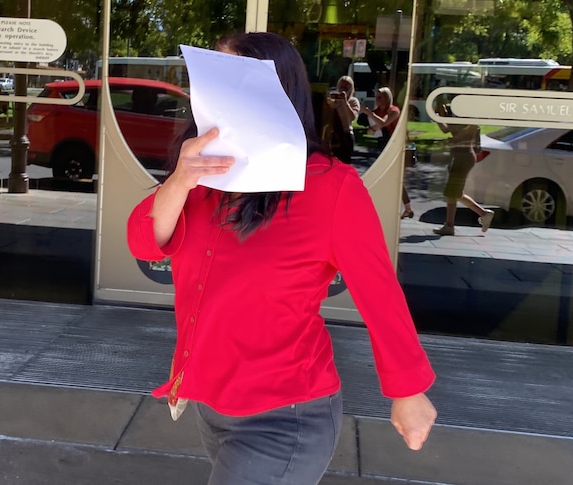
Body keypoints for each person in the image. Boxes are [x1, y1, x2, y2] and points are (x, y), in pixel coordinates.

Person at [126, 32, 436, 485]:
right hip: (211, 405)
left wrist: (409, 390)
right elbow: (145, 242)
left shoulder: (331, 187)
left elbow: (379, 293)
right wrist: (179, 180)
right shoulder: (202, 175)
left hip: (285, 417)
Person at [433, 101, 493, 236]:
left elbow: (449, 130)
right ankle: (483, 214)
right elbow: (448, 129)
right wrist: (441, 116)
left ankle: (450, 226)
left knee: (451, 192)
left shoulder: (468, 120)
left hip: (462, 158)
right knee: (455, 192)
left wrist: (442, 116)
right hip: (461, 157)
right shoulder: (465, 119)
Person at [360, 87, 413, 219]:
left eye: (381, 96)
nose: (378, 99)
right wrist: (374, 124)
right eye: (377, 96)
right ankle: (406, 208)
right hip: (382, 146)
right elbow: (370, 131)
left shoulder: (394, 110)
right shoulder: (377, 111)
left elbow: (383, 123)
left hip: (395, 147)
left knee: (395, 179)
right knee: (391, 178)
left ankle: (405, 208)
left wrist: (367, 112)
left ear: (388, 98)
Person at [324, 75, 360, 163]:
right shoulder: (333, 100)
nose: (343, 88)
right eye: (341, 86)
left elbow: (352, 117)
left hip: (346, 134)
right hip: (333, 135)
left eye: (346, 86)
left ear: (351, 88)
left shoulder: (353, 101)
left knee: (345, 162)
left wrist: (345, 102)